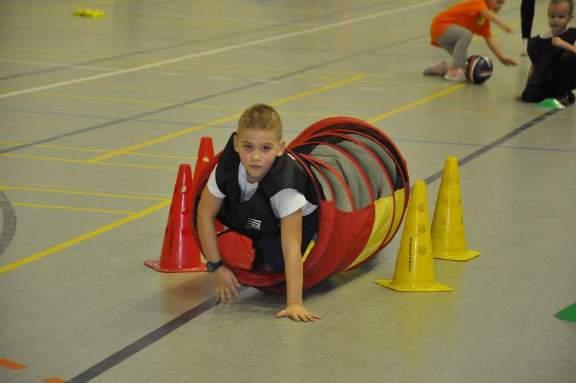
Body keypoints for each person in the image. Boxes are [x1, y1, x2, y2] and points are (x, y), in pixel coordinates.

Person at [196, 103, 321, 322]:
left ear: (280, 147)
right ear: (235, 144)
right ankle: (255, 240)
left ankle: (269, 248)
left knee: (277, 262)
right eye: (248, 147)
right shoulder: (226, 167)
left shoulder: (286, 188)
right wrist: (216, 266)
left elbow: (291, 247)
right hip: (255, 215)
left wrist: (294, 303)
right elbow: (204, 214)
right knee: (220, 206)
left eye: (265, 148)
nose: (255, 157)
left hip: (293, 222)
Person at [423, 0, 518, 82]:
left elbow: (490, 39)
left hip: (445, 35)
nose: (499, 5)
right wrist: (503, 25)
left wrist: (502, 58)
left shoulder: (483, 21)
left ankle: (442, 67)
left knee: (464, 64)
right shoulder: (478, 2)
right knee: (466, 34)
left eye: (501, 3)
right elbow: (487, 13)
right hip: (440, 26)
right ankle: (454, 71)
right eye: (498, 1)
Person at [520, 0, 576, 105]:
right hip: (549, 79)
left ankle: (565, 94)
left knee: (568, 56)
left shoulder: (573, 34)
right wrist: (527, 85)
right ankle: (551, 93)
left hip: (565, 77)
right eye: (552, 16)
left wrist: (563, 44)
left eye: (561, 17)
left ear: (569, 18)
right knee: (529, 96)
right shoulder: (541, 39)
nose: (555, 20)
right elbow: (535, 66)